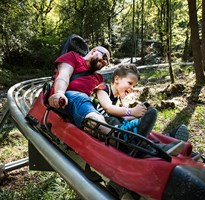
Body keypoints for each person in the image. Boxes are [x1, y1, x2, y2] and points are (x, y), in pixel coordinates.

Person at [48, 46, 184, 156]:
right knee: (86, 102)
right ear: (94, 51)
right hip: (68, 99)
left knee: (123, 120)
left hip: (86, 106)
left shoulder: (98, 78)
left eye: (106, 62)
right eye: (104, 57)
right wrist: (59, 93)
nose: (104, 63)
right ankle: (119, 138)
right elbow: (64, 75)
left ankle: (159, 147)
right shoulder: (73, 57)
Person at [91, 64, 189, 155]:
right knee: (117, 121)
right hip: (105, 128)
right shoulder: (103, 89)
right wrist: (131, 111)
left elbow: (124, 116)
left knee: (136, 124)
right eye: (130, 83)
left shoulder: (119, 101)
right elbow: (108, 108)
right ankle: (161, 142)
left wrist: (140, 114)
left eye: (134, 86)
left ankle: (165, 143)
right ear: (117, 79)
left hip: (119, 127)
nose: (132, 88)